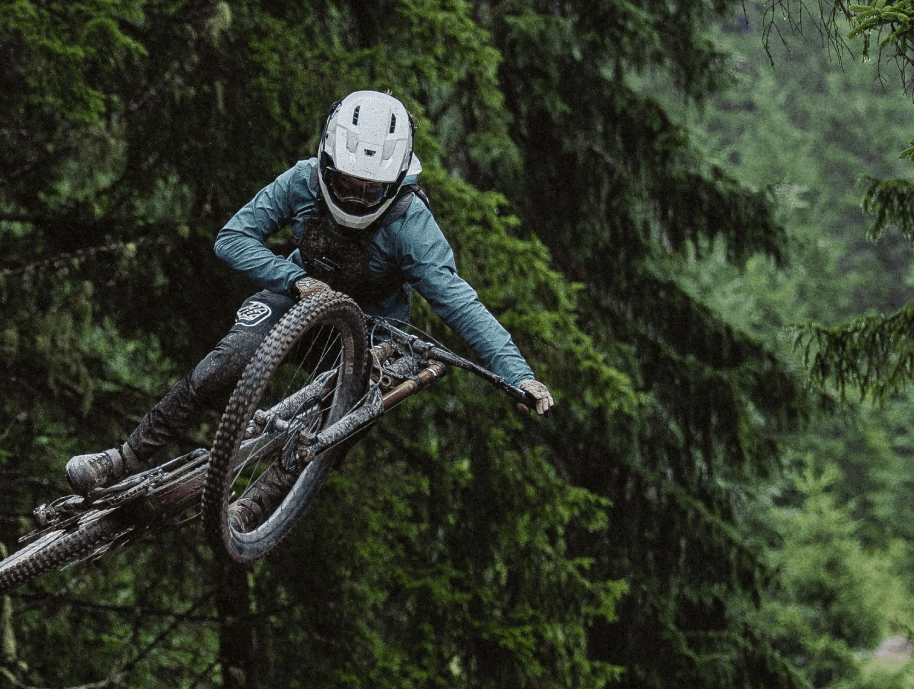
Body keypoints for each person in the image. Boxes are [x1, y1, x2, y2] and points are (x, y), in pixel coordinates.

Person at [65, 89, 554, 499]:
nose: (357, 196)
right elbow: (232, 237)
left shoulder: (411, 224)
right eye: (346, 182)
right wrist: (291, 278)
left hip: (369, 330)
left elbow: (459, 302)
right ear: (326, 161)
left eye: (371, 189)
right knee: (223, 363)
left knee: (336, 425)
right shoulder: (301, 180)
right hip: (293, 298)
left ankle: (256, 508)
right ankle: (122, 458)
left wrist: (518, 375)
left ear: (398, 177)